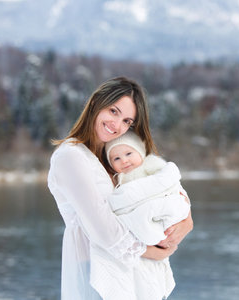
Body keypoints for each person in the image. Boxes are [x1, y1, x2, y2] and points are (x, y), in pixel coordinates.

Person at [47, 77, 193, 300]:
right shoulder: (71, 156)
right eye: (113, 111)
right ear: (96, 102)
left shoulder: (117, 154)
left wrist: (186, 219)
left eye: (127, 121)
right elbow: (101, 226)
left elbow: (161, 184)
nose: (118, 125)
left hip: (132, 271)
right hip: (94, 269)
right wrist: (152, 252)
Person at [104, 131, 191, 300]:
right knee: (138, 220)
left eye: (129, 153)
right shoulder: (119, 179)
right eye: (116, 159)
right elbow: (123, 204)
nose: (124, 160)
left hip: (160, 208)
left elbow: (169, 180)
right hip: (140, 217)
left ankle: (158, 234)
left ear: (140, 152)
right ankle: (153, 237)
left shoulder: (151, 165)